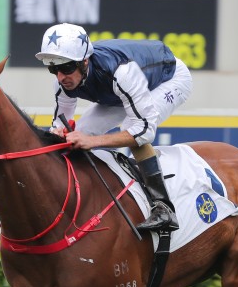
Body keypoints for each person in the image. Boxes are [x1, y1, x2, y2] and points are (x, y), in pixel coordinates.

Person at [35, 23, 193, 233]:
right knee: (79, 132)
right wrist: (59, 134)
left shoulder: (122, 72)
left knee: (131, 128)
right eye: (53, 68)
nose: (61, 76)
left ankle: (164, 207)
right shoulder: (62, 83)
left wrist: (92, 142)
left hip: (168, 79)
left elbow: (144, 130)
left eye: (66, 68)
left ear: (84, 61)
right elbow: (60, 126)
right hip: (119, 92)